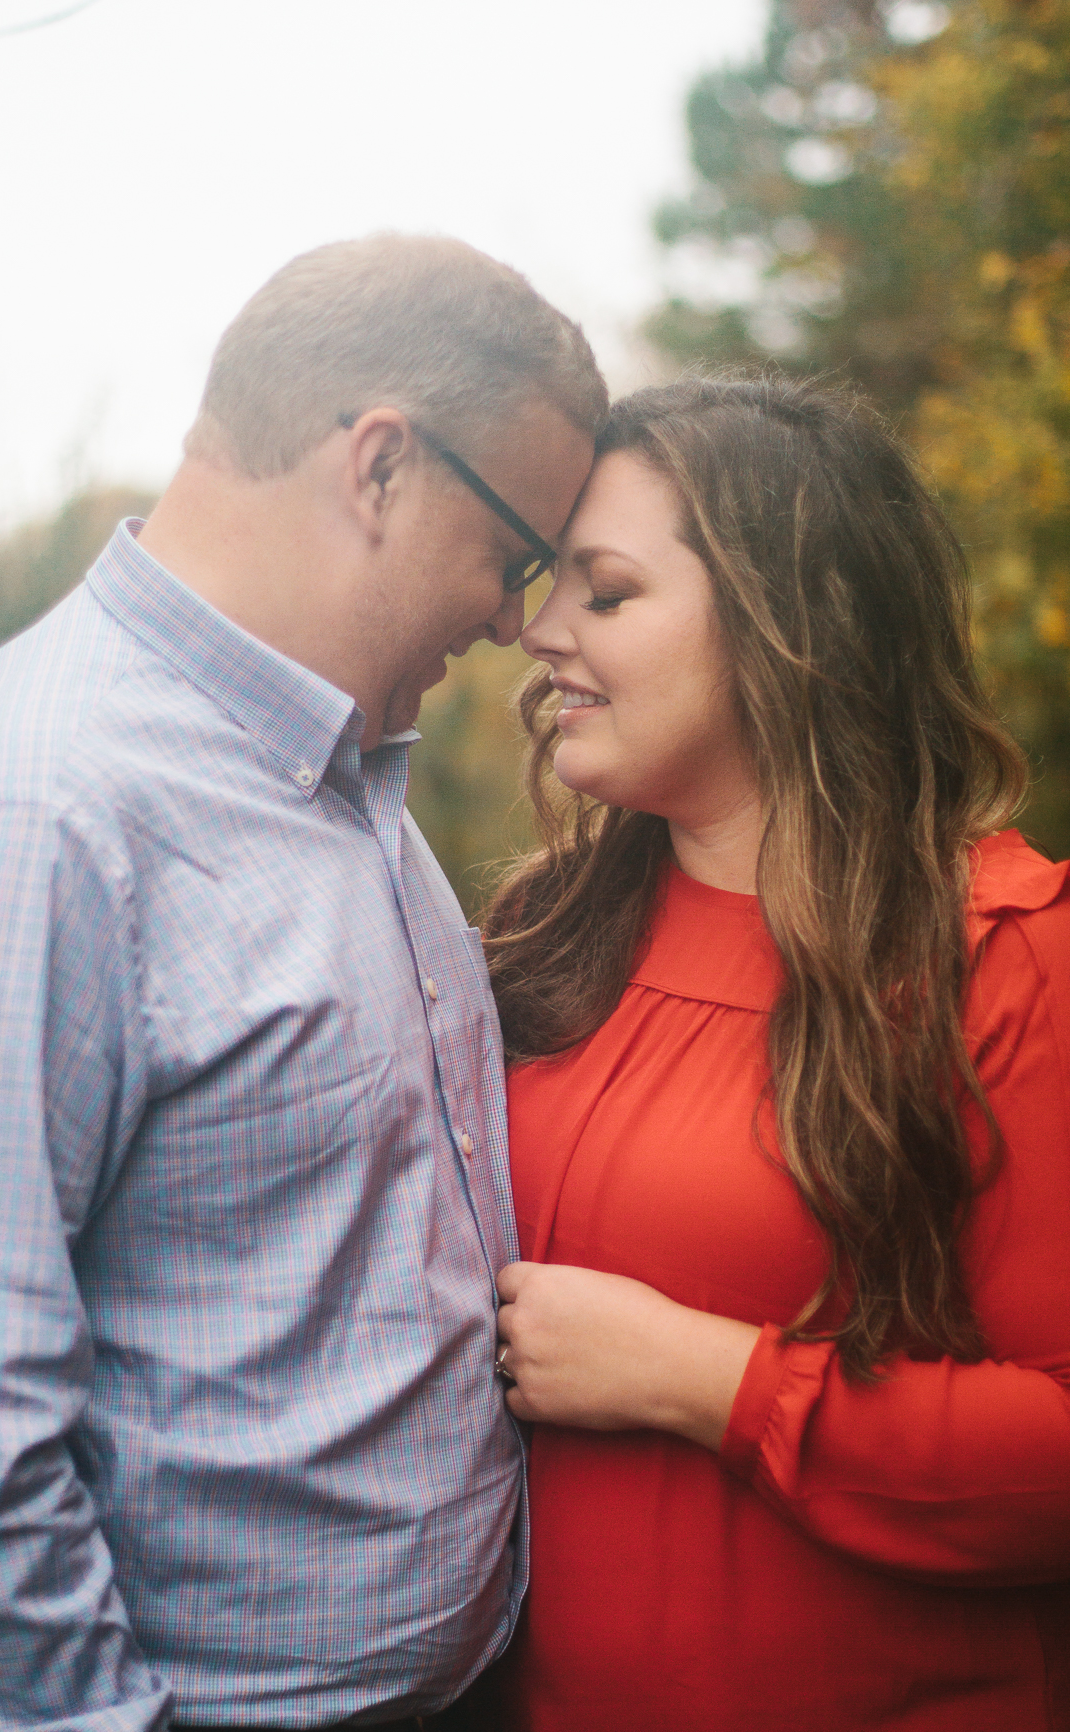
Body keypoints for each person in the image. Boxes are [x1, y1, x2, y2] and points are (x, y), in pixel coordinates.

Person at [0, 234, 604, 1732]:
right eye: (515, 556)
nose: (510, 622)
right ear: (378, 468)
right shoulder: (36, 810)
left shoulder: (344, 774)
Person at [483, 375, 1070, 1730]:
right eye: (542, 584)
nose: (538, 631)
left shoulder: (1006, 948)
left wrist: (707, 1379)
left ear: (784, 624)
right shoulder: (544, 935)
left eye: (606, 592)